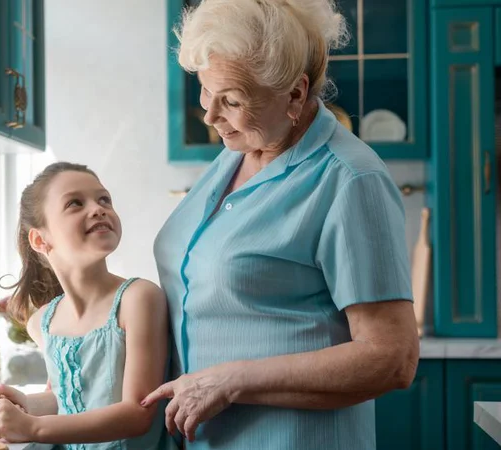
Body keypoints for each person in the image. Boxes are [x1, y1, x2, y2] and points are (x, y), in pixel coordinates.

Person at [141, 0, 420, 449]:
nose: (210, 116)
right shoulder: (236, 154)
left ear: (294, 94)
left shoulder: (349, 179)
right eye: (205, 91)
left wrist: (230, 381)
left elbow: (392, 357)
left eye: (231, 100)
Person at [0, 162, 176, 449]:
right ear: (39, 239)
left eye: (104, 199)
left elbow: (138, 413)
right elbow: (66, 399)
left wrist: (31, 426)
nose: (98, 209)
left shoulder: (139, 298)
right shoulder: (43, 321)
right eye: (75, 203)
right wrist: (24, 405)